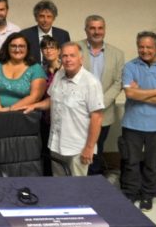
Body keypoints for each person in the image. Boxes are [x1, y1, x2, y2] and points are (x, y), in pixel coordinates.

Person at [23, 42, 104, 177]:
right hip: (56, 144)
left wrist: (89, 148)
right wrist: (35, 105)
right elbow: (52, 100)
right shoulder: (59, 75)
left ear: (81, 59)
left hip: (78, 148)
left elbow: (97, 117)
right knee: (59, 186)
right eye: (64, 56)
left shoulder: (91, 83)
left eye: (72, 55)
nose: (68, 59)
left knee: (77, 190)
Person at [120, 31, 156, 212]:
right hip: (132, 124)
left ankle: (147, 196)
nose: (144, 50)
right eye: (141, 47)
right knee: (131, 162)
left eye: (149, 47)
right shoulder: (130, 66)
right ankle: (131, 193)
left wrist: (140, 93)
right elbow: (129, 93)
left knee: (153, 164)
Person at [79, 15, 125, 176]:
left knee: (96, 149)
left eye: (100, 28)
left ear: (105, 30)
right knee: (76, 149)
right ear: (86, 30)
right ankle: (75, 184)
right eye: (92, 28)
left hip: (103, 112)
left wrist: (99, 103)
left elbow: (118, 82)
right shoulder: (75, 49)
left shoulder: (117, 54)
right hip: (78, 110)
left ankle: (94, 185)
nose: (96, 32)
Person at [0, 32, 46, 113]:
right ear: (7, 48)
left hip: (21, 116)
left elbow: (35, 97)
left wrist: (10, 109)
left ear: (27, 48)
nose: (17, 50)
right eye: (13, 46)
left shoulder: (36, 68)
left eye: (21, 46)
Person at [21, 0, 71, 64]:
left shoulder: (63, 35)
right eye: (42, 16)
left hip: (58, 73)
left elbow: (67, 57)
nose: (45, 20)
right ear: (36, 18)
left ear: (54, 18)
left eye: (49, 17)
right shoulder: (25, 35)